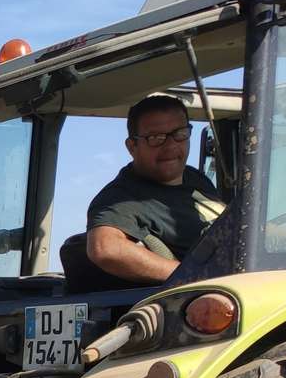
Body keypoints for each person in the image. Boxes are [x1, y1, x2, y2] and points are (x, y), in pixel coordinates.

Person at [86, 94, 225, 283]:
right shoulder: (121, 198)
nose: (171, 146)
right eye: (156, 138)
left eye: (180, 134)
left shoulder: (196, 178)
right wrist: (193, 277)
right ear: (132, 146)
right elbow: (104, 248)